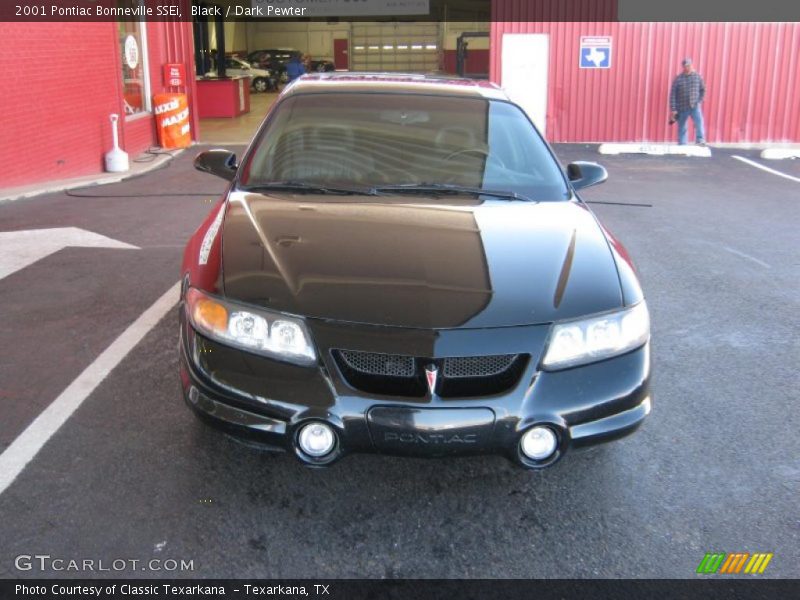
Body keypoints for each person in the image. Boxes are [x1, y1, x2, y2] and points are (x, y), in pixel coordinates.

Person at [669, 58, 707, 146]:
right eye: (685, 66)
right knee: (682, 126)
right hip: (681, 107)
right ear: (683, 67)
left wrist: (699, 101)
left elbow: (703, 90)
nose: (687, 67)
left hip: (695, 106)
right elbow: (673, 95)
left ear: (691, 65)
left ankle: (700, 140)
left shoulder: (697, 76)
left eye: (689, 65)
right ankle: (682, 143)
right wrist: (673, 109)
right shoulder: (678, 79)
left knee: (699, 123)